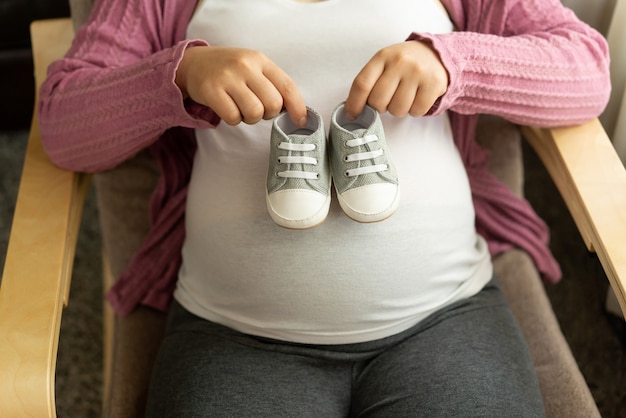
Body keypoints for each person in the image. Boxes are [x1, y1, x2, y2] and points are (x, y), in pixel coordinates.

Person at [38, 0, 610, 416]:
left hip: (445, 317)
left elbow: (586, 69)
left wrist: (453, 66)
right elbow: (64, 124)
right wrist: (178, 77)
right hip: (234, 333)